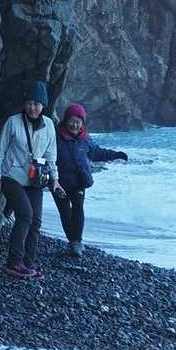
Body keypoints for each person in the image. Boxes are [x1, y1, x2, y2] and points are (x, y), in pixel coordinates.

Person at [0, 82, 62, 280]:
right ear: (25, 104)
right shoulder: (13, 122)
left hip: (35, 179)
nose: (33, 108)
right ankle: (14, 263)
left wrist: (55, 179)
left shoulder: (49, 125)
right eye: (30, 103)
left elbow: (51, 156)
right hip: (11, 175)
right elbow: (0, 150)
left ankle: (28, 264)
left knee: (36, 221)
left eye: (37, 104)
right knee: (25, 215)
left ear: (43, 105)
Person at [54, 103, 128, 255]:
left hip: (79, 182)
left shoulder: (85, 139)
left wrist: (116, 155)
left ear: (82, 123)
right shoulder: (56, 137)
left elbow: (97, 152)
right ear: (66, 120)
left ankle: (77, 242)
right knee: (65, 213)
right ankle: (73, 242)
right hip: (59, 183)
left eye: (78, 122)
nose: (74, 125)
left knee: (78, 209)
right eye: (72, 121)